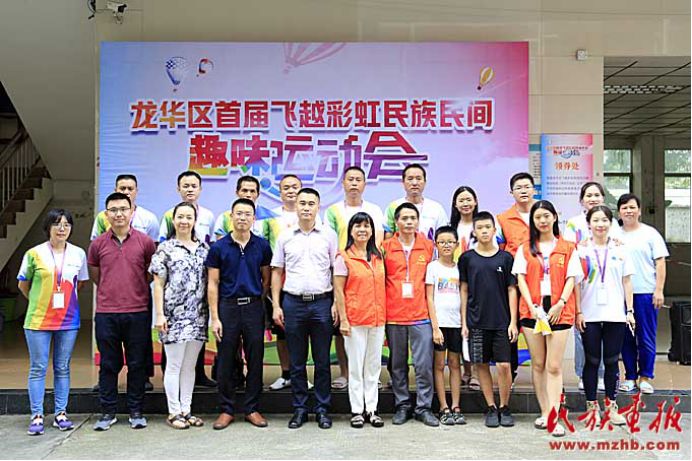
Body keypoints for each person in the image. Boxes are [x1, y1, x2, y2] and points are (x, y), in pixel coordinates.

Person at [512, 200, 582, 437]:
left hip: (559, 311)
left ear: (554, 217)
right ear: (532, 221)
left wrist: (561, 302)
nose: (542, 221)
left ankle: (554, 415)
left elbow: (572, 278)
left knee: (553, 365)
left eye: (546, 216)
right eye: (538, 217)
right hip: (532, 310)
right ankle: (544, 412)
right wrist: (531, 305)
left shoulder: (568, 247)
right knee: (539, 363)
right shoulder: (525, 248)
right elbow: (520, 278)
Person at [88, 192, 156, 431]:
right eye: (113, 210)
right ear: (106, 214)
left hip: (138, 311)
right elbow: (96, 275)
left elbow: (150, 273)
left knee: (137, 364)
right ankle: (108, 412)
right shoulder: (97, 244)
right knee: (108, 363)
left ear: (132, 212)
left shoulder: (145, 242)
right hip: (107, 313)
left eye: (123, 209)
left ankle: (136, 411)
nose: (118, 214)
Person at [271, 188, 338, 429]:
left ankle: (322, 409)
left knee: (322, 361)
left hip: (322, 303)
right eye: (303, 203)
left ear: (318, 206)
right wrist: (276, 304)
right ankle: (299, 409)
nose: (306, 207)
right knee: (297, 361)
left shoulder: (329, 235)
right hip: (293, 303)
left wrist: (336, 303)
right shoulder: (285, 236)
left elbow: (336, 271)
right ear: (296, 206)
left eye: (311, 203)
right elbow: (277, 272)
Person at [18, 209, 89, 436]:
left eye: (67, 224)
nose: (62, 228)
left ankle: (61, 413)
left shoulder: (78, 254)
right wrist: (39, 301)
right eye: (57, 224)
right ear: (48, 227)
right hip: (38, 320)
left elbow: (80, 283)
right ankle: (37, 415)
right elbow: (23, 284)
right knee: (38, 368)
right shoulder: (34, 253)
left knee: (62, 367)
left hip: (68, 320)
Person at [207, 199, 272, 430]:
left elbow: (266, 279)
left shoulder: (262, 246)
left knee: (255, 357)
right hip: (228, 307)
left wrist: (257, 301)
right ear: (231, 216)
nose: (242, 218)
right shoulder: (218, 248)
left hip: (253, 307)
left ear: (253, 218)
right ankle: (226, 409)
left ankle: (252, 408)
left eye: (247, 214)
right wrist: (215, 317)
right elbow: (213, 283)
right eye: (238, 213)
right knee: (226, 359)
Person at [150, 202, 210, 430]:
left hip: (198, 315)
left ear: (195, 221)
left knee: (189, 366)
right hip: (173, 316)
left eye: (189, 217)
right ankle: (173, 411)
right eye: (180, 217)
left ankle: (186, 409)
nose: (184, 221)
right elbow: (158, 284)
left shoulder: (204, 249)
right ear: (173, 221)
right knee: (174, 365)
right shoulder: (165, 249)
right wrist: (160, 314)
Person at [325, 166, 385, 391]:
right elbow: (331, 245)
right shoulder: (332, 211)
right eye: (349, 179)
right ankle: (345, 372)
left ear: (364, 184)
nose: (353, 183)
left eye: (358, 180)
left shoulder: (374, 210)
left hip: (367, 270)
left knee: (370, 331)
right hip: (342, 271)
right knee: (344, 327)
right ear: (343, 183)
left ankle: (370, 377)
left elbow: (379, 241)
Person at [575, 205, 635, 426]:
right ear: (588, 224)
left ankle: (611, 406)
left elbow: (627, 281)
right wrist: (578, 311)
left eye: (604, 220)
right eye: (596, 220)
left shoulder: (620, 249)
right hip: (589, 314)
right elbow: (575, 284)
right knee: (591, 360)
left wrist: (629, 311)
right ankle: (592, 406)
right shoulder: (581, 251)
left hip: (614, 314)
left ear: (611, 223)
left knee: (611, 361)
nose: (600, 224)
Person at [263, 174, 323, 391]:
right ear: (279, 192)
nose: (290, 191)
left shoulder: (318, 220)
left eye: (294, 187)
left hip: (311, 286)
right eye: (286, 187)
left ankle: (303, 376)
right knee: (282, 331)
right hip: (282, 285)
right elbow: (268, 253)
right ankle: (286, 373)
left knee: (307, 336)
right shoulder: (270, 218)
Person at [382, 203, 438, 427]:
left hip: (421, 314)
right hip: (394, 315)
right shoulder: (385, 247)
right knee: (397, 365)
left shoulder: (428, 246)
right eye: (404, 218)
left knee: (423, 365)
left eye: (412, 218)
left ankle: (424, 407)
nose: (408, 222)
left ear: (418, 221)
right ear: (396, 222)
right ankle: (402, 405)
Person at [460, 211, 518, 428]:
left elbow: (512, 290)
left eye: (488, 227)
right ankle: (491, 407)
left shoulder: (506, 258)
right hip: (476, 322)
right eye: (480, 228)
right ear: (474, 232)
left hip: (502, 322)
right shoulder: (467, 258)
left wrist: (513, 322)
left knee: (504, 365)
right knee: (481, 365)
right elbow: (464, 290)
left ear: (494, 230)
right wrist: (464, 322)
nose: (484, 231)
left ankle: (504, 406)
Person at [159, 170, 216, 388]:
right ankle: (170, 380)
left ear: (200, 189)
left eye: (194, 186)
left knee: (196, 337)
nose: (190, 189)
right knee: (173, 344)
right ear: (178, 189)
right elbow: (163, 247)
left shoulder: (208, 215)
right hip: (176, 289)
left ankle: (199, 375)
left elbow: (211, 246)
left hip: (198, 286)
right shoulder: (169, 215)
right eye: (186, 185)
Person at [564, 182, 622, 391]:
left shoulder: (611, 221)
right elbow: (568, 249)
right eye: (588, 195)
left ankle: (604, 376)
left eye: (597, 194)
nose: (593, 198)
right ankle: (582, 373)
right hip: (583, 284)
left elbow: (618, 244)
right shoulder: (573, 223)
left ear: (603, 198)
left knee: (607, 338)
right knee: (582, 334)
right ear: (581, 200)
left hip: (607, 288)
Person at [333, 212, 386, 428]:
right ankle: (356, 410)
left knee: (373, 367)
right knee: (355, 368)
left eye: (366, 226)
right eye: (358, 226)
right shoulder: (343, 257)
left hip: (378, 320)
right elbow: (338, 290)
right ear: (351, 231)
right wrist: (344, 320)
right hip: (355, 320)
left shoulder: (378, 256)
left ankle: (372, 409)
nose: (362, 230)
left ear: (372, 230)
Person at [617, 194, 668, 394]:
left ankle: (645, 376)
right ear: (619, 212)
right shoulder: (614, 235)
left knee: (646, 336)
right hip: (621, 295)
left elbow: (660, 262)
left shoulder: (650, 234)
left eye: (632, 207)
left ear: (639, 210)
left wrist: (659, 290)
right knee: (626, 338)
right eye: (624, 208)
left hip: (645, 292)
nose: (628, 211)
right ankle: (630, 376)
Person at [497, 172, 536, 383]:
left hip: (539, 280)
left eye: (526, 186)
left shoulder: (544, 213)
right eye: (518, 187)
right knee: (510, 325)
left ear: (533, 189)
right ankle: (510, 373)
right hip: (512, 281)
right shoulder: (503, 218)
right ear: (511, 192)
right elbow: (500, 250)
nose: (523, 191)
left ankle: (544, 371)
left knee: (539, 323)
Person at [426, 226, 465, 426]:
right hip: (440, 325)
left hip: (457, 324)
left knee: (455, 364)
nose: (446, 245)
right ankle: (443, 407)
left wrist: (464, 324)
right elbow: (429, 298)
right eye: (442, 242)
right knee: (439, 365)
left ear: (456, 244)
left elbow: (464, 297)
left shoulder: (460, 268)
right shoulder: (432, 268)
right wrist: (435, 328)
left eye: (450, 242)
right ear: (436, 245)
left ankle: (456, 406)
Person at [385, 163, 448, 240]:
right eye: (410, 179)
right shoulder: (394, 206)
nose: (414, 183)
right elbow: (388, 237)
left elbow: (445, 236)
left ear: (425, 182)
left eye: (418, 179)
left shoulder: (436, 208)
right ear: (403, 182)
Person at [91, 174, 159, 241]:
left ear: (136, 192)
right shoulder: (102, 217)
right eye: (122, 188)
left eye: (130, 189)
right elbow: (96, 244)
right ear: (115, 191)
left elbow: (153, 245)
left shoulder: (149, 218)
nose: (126, 192)